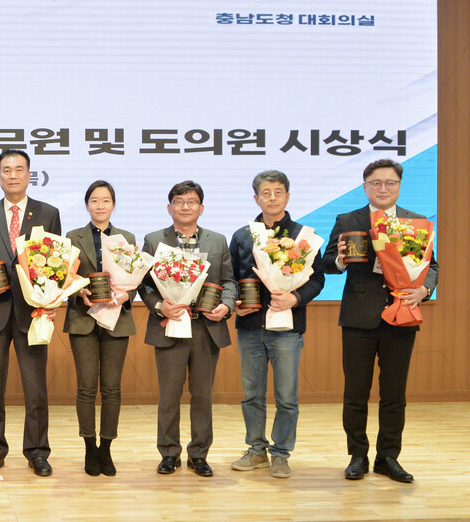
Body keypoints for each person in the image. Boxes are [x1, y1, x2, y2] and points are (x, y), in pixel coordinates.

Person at [322, 159, 438, 483]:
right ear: (365, 186)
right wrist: (340, 260)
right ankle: (357, 455)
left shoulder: (416, 221)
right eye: (376, 182)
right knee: (355, 393)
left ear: (399, 186)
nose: (383, 188)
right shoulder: (348, 219)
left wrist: (425, 290)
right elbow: (326, 263)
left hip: (402, 315)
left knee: (394, 394)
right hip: (359, 318)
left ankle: (388, 457)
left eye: (390, 183)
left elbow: (432, 265)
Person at [0, 149, 61, 477]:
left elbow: (58, 260)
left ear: (29, 175)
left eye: (19, 169)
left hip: (33, 312)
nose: (13, 175)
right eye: (6, 170)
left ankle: (37, 452)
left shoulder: (48, 213)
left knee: (35, 388)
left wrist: (51, 299)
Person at [228, 170, 325, 478]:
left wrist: (295, 298)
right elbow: (231, 278)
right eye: (265, 193)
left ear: (287, 196)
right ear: (256, 198)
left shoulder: (303, 236)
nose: (272, 198)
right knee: (251, 394)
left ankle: (281, 453)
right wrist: (235, 303)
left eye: (278, 192)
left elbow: (318, 279)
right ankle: (256, 450)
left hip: (288, 327)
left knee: (286, 396)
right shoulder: (242, 236)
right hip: (250, 327)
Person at [137, 180, 235, 478]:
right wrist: (159, 306)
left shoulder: (218, 241)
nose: (185, 207)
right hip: (169, 325)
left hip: (205, 328)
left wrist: (226, 305)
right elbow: (143, 284)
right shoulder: (154, 240)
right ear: (170, 208)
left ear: (201, 208)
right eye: (179, 202)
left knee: (202, 395)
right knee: (169, 395)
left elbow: (229, 281)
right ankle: (169, 453)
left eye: (191, 202)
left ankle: (199, 455)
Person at [63, 180, 135, 477]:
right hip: (84, 318)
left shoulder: (126, 237)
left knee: (112, 388)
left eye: (106, 200)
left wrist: (127, 295)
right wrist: (78, 291)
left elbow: (136, 278)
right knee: (86, 387)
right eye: (94, 200)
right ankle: (89, 447)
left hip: (117, 319)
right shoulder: (73, 236)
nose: (100, 205)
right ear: (87, 205)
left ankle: (106, 447)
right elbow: (64, 276)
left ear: (114, 205)